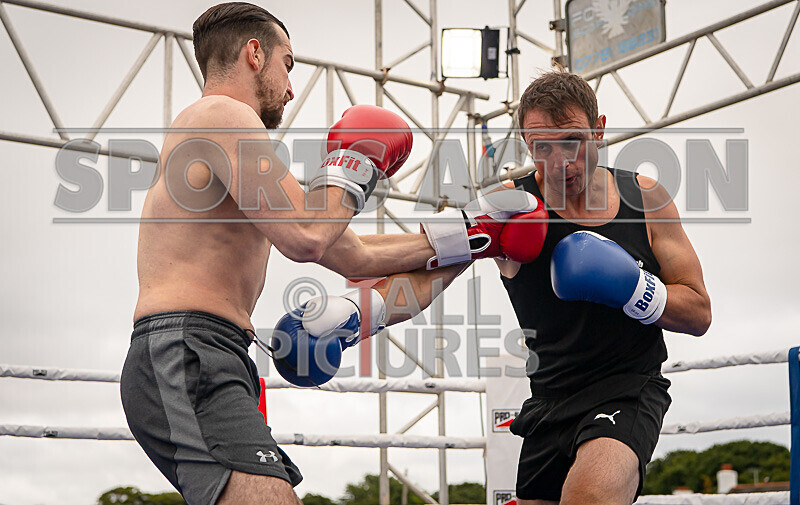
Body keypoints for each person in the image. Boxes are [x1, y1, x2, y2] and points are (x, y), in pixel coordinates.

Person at [274, 69, 711, 505]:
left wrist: (635, 288)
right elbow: (425, 280)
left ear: (599, 130)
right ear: (525, 142)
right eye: (543, 147)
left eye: (573, 141)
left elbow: (698, 313)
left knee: (591, 495)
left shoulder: (644, 197)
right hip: (549, 401)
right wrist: (350, 315)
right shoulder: (508, 207)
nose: (561, 163)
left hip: (628, 388)